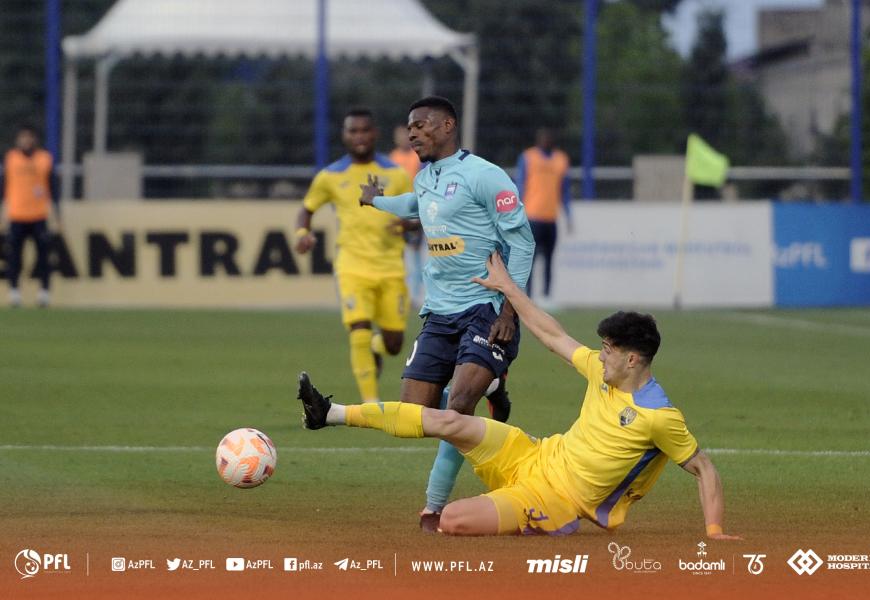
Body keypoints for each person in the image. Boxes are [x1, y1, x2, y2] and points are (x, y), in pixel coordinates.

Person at [298, 253, 741, 539]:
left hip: (556, 501)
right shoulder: (600, 372)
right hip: (532, 453)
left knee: (452, 520)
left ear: (632, 359)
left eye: (608, 349)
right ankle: (329, 413)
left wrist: (715, 531)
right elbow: (552, 335)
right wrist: (509, 288)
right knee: (449, 420)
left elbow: (704, 469)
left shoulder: (659, 416)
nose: (600, 355)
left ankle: (512, 511)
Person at [358, 96, 535, 531]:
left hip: (485, 306)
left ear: (448, 125)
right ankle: (491, 383)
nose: (412, 133)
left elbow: (523, 242)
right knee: (414, 412)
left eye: (420, 125)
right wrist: (376, 202)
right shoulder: (424, 178)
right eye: (409, 127)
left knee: (457, 408)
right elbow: (415, 206)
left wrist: (510, 309)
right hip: (439, 310)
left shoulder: (485, 175)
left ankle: (433, 507)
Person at [294, 108, 413, 403]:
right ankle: (371, 404)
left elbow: (418, 212)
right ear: (344, 135)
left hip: (391, 267)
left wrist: (407, 224)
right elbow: (306, 210)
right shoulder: (331, 176)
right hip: (352, 266)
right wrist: (302, 234)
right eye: (353, 131)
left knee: (394, 343)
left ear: (375, 134)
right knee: (358, 330)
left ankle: (376, 347)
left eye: (365, 130)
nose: (359, 136)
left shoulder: (396, 174)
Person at [1, 125, 59, 308]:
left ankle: (44, 293)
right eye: (23, 137)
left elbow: (53, 188)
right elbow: (3, 187)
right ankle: (14, 293)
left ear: (34, 139)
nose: (26, 140)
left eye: (29, 137)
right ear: (18, 140)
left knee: (43, 256)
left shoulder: (44, 159)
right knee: (14, 257)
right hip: (17, 215)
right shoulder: (11, 158)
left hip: (38, 215)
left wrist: (57, 213)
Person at [516, 127, 571, 303]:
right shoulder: (528, 157)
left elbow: (564, 190)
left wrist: (568, 215)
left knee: (549, 259)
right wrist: (517, 213)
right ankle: (529, 295)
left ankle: (547, 296)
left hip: (551, 218)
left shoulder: (561, 159)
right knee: (530, 259)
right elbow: (520, 185)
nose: (546, 140)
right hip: (532, 216)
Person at [389, 125, 425, 309]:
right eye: (399, 136)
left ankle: (416, 295)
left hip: (413, 210)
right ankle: (403, 293)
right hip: (398, 210)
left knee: (415, 253)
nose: (402, 138)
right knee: (400, 254)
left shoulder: (417, 156)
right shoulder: (393, 158)